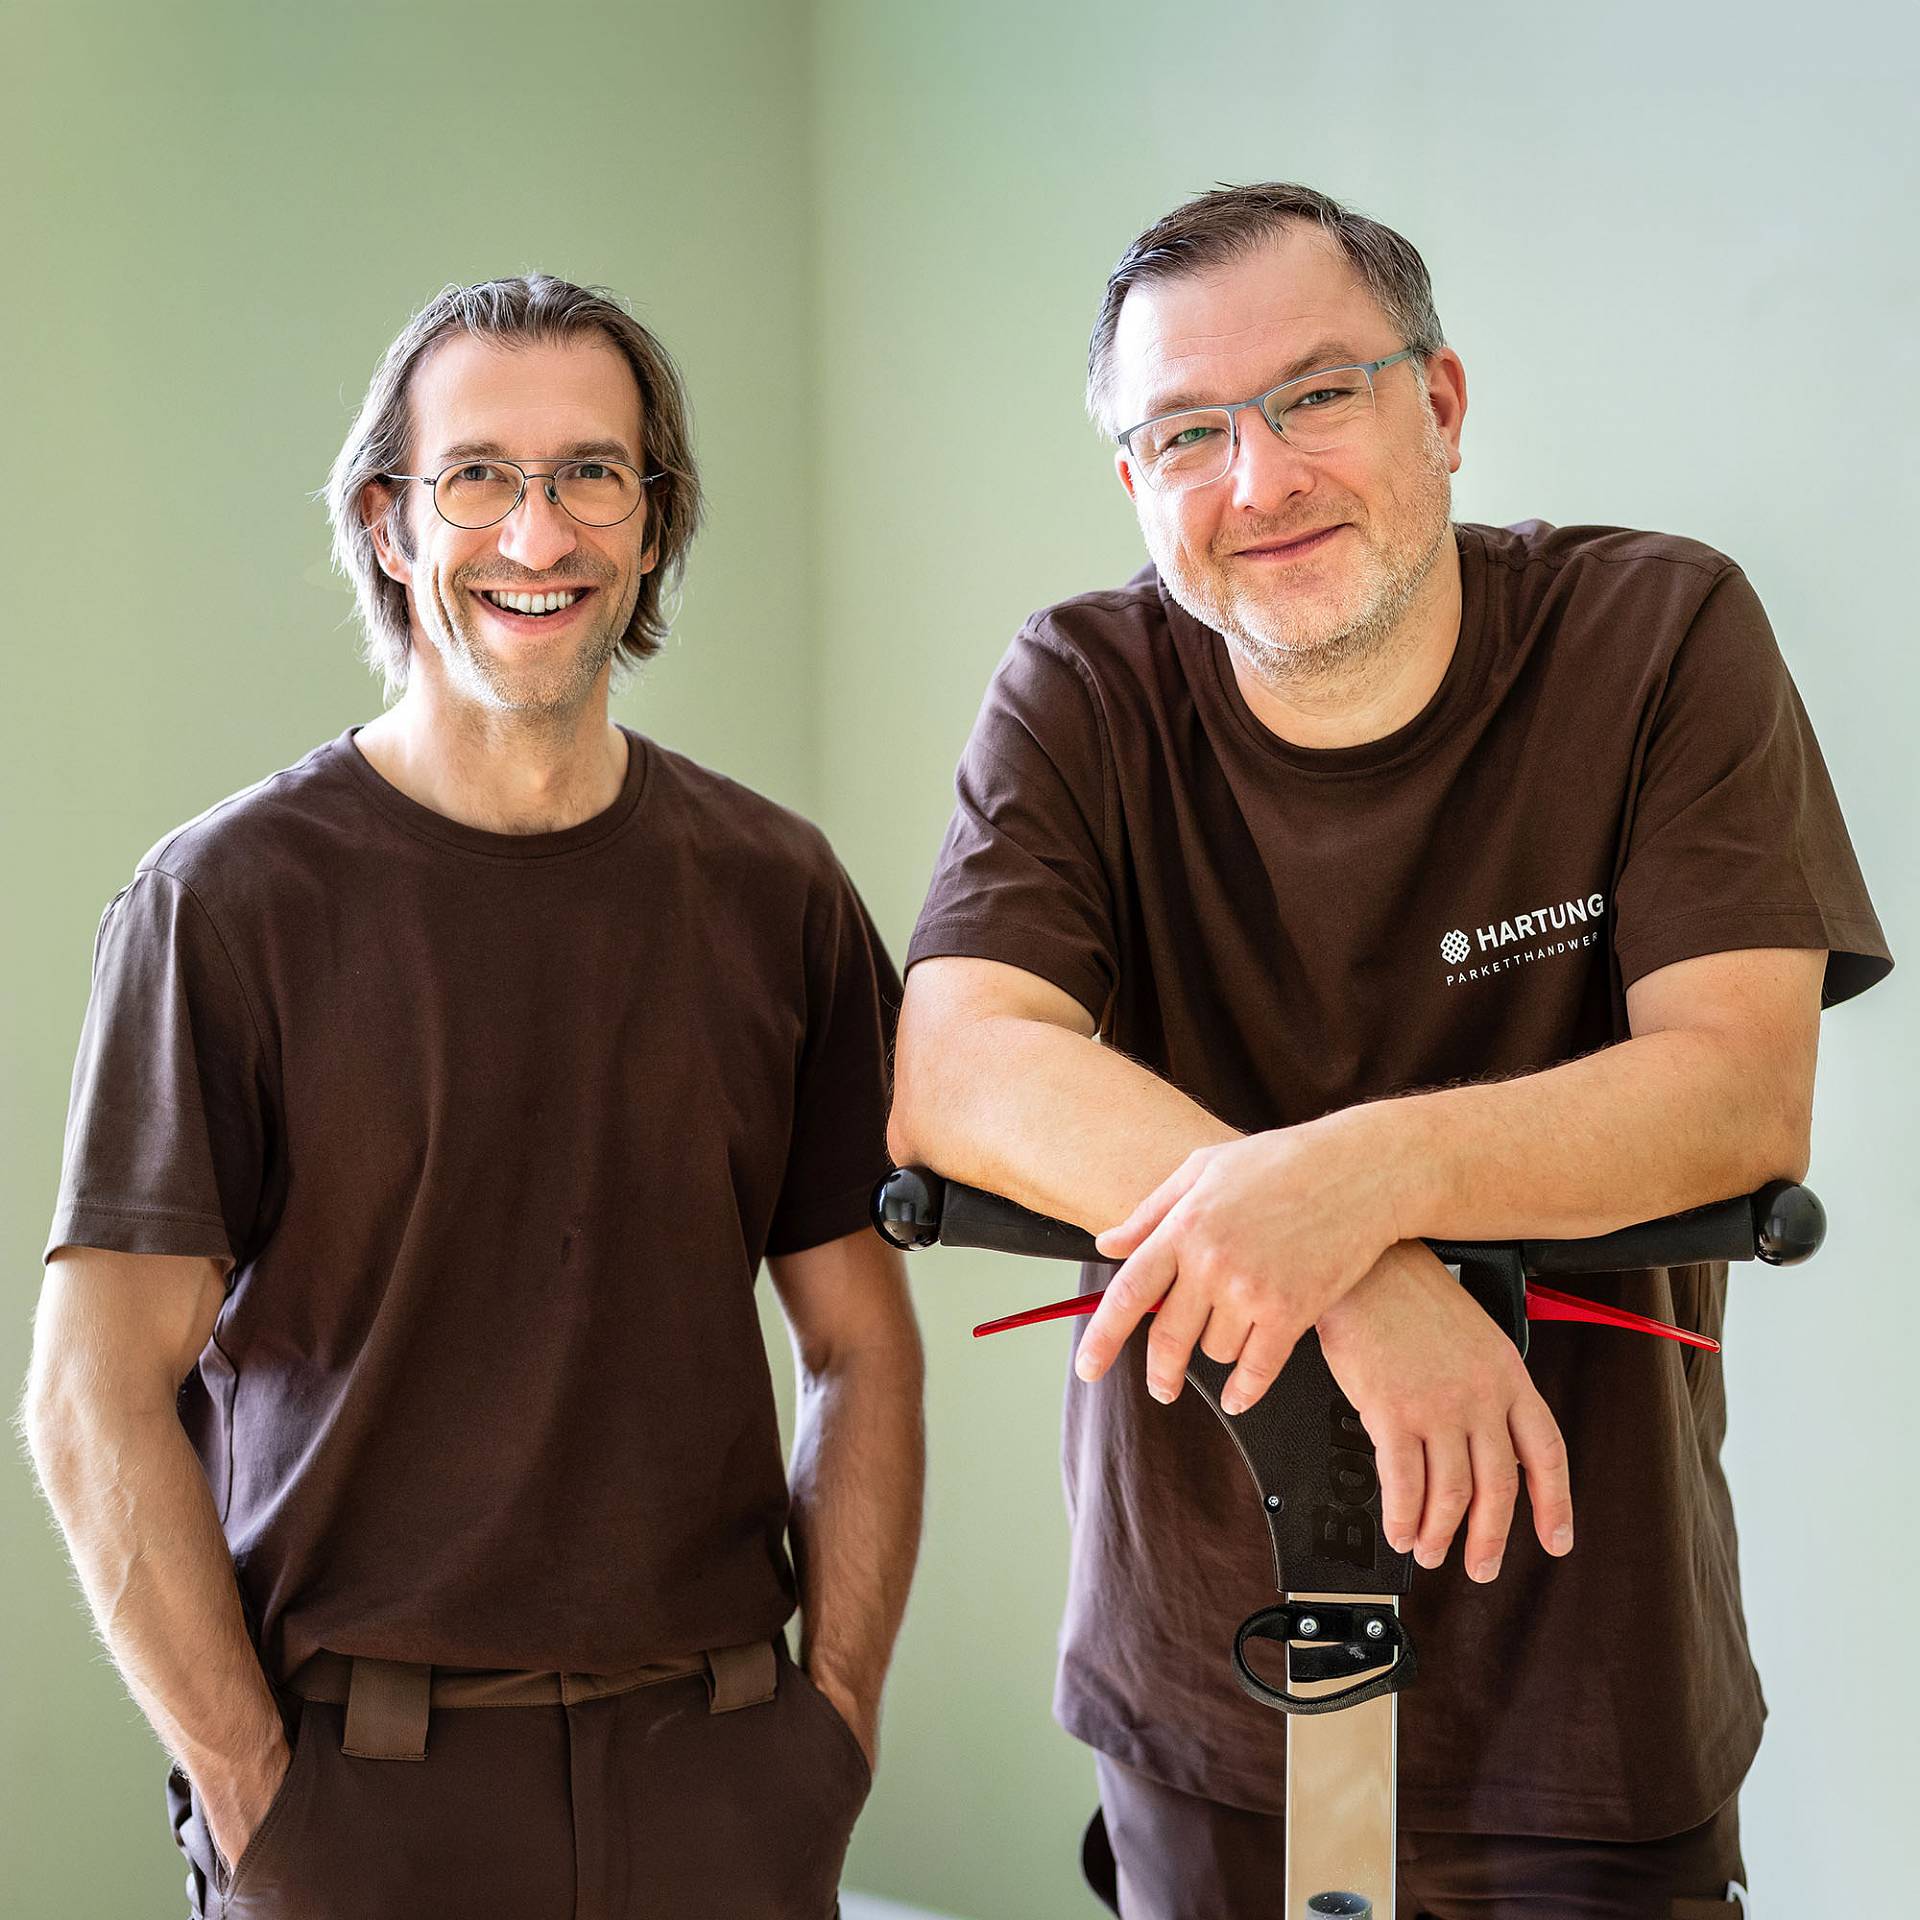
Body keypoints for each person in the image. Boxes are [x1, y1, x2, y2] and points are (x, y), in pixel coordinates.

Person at [887, 183, 1890, 1918]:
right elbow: (961, 1066)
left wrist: (1348, 1185)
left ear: (1439, 403)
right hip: (1201, 1692)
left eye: (1314, 396)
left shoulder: (1656, 641)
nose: (1257, 478)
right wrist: (1367, 1282)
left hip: (1585, 1689)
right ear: (1135, 483)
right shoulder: (1082, 688)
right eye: (1186, 431)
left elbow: (1736, 1089)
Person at [24, 274, 923, 1919]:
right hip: (358, 1814)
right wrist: (254, 1799)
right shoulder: (223, 905)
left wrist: (835, 1728)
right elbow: (90, 1399)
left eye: (594, 473)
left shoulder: (773, 891)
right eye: (479, 477)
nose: (540, 531)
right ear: (389, 522)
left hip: (722, 1783)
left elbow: (860, 1345)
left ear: (654, 528)